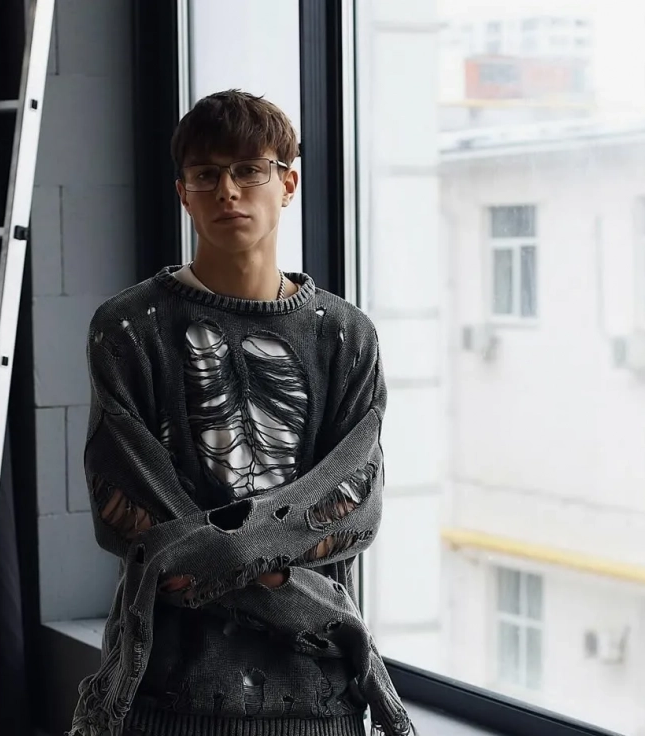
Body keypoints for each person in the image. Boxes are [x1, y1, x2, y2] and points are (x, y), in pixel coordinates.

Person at [68, 89, 416, 736]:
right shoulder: (128, 329)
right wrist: (278, 571)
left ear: (288, 184)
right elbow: (127, 512)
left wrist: (208, 557)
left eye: (249, 170)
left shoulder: (345, 336)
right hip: (164, 693)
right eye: (206, 174)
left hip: (316, 695)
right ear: (184, 193)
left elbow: (354, 506)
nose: (227, 190)